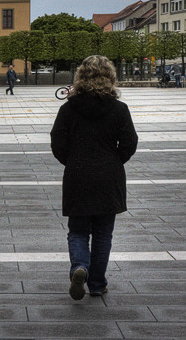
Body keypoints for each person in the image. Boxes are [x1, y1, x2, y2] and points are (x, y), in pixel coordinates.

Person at [50, 55, 138, 300]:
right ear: (110, 76)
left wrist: (73, 160)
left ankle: (79, 267)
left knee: (78, 230)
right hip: (109, 176)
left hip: (78, 174)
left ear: (81, 76)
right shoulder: (119, 109)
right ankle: (97, 283)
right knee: (103, 233)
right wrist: (113, 160)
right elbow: (130, 143)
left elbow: (57, 142)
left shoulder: (68, 108)